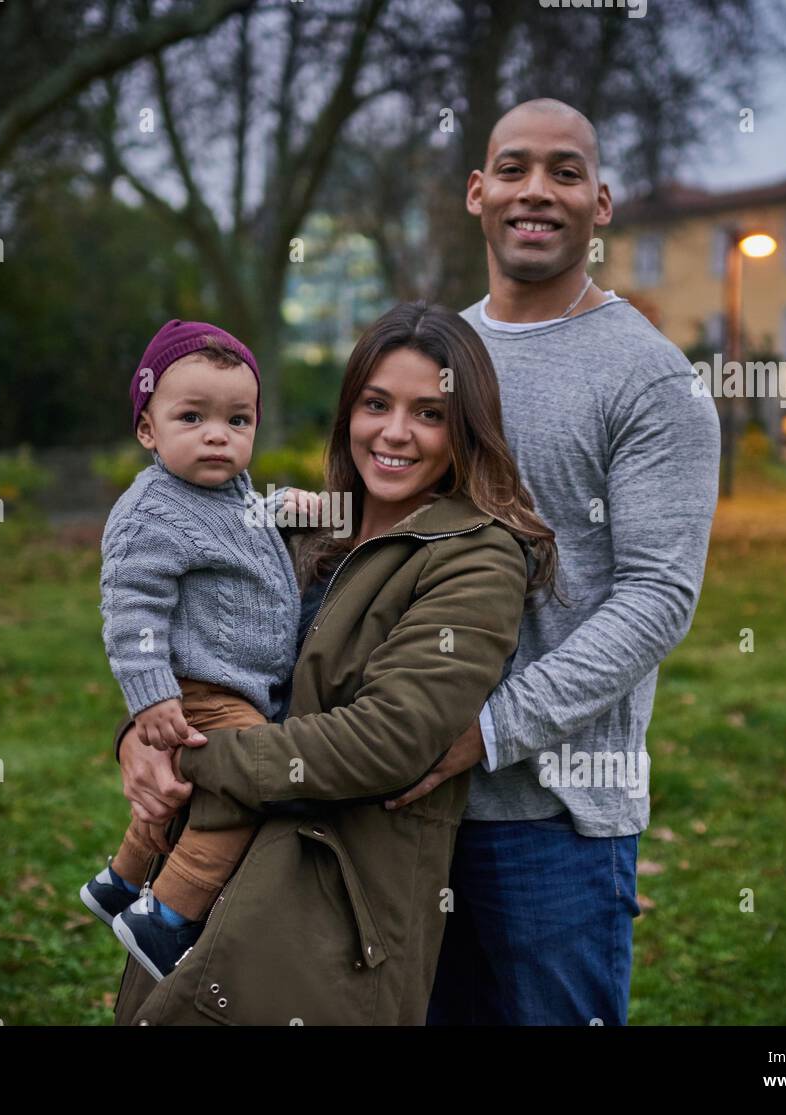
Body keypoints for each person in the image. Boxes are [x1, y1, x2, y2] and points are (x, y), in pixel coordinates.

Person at [107, 302, 556, 1025]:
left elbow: (387, 741)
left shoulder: (475, 556)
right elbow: (197, 651)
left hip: (332, 904)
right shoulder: (297, 529)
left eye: (430, 413)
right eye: (376, 404)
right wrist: (136, 732)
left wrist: (193, 762)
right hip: (209, 878)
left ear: (465, 427)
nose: (395, 432)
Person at [400, 98, 721, 1025]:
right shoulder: (436, 354)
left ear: (602, 203)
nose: (536, 190)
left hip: (555, 821)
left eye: (565, 171)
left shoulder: (649, 377)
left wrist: (489, 732)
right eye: (514, 167)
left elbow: (658, 596)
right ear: (478, 191)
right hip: (404, 804)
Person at [80, 319, 305, 981]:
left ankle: (120, 881)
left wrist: (305, 508)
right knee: (250, 788)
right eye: (193, 417)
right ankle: (167, 917)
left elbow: (254, 518)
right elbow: (130, 609)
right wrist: (151, 695)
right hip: (201, 692)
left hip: (231, 688)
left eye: (239, 419)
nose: (218, 434)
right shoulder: (152, 509)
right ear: (148, 429)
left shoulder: (230, 495)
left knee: (176, 794)